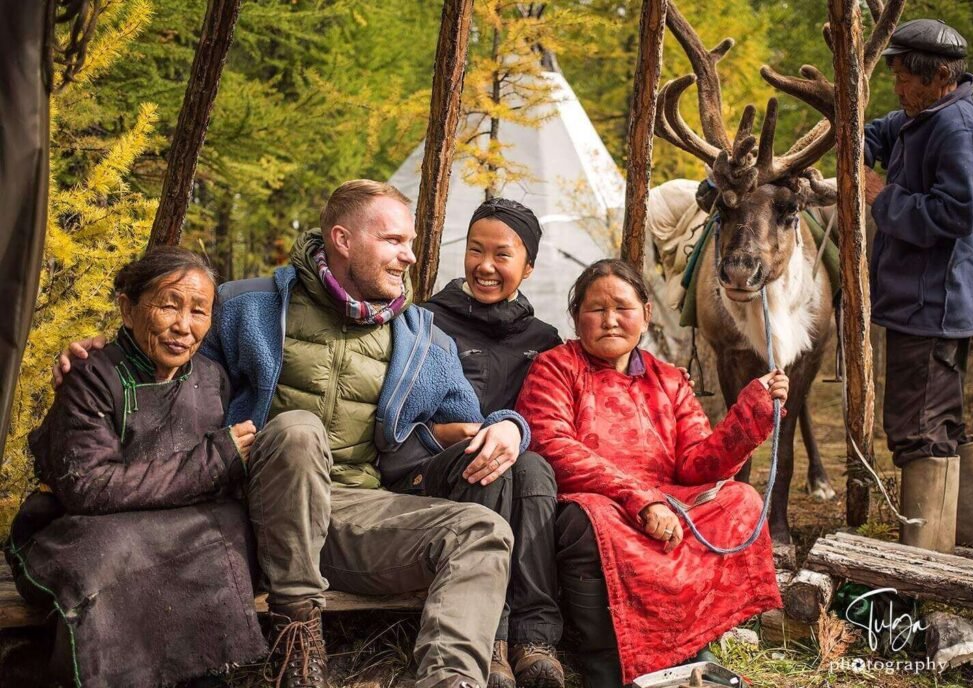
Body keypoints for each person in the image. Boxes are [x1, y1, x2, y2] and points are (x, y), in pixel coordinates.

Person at [52, 181, 525, 688]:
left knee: (482, 532)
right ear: (342, 239)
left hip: (351, 510)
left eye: (409, 242)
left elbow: (473, 418)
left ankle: (452, 681)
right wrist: (99, 352)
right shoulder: (246, 306)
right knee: (300, 429)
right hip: (254, 511)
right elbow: (167, 344)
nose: (410, 256)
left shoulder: (424, 339)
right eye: (393, 241)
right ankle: (298, 638)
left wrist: (510, 428)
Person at [516, 259, 787, 687]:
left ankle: (695, 644)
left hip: (669, 501)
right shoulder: (555, 367)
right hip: (599, 501)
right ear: (575, 318)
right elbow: (552, 445)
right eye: (595, 309)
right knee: (592, 522)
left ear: (645, 313)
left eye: (622, 308)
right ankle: (607, 664)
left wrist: (751, 415)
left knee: (741, 501)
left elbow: (696, 463)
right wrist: (638, 498)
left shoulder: (668, 380)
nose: (609, 321)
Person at [8, 248, 266, 687]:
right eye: (169, 305)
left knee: (224, 531)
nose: (184, 326)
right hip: (85, 529)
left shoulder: (211, 378)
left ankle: (199, 674)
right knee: (112, 552)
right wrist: (212, 461)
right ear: (128, 309)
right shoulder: (91, 376)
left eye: (199, 311)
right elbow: (89, 488)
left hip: (171, 526)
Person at [407, 198, 564, 688]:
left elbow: (560, 409)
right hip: (439, 473)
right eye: (476, 251)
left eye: (502, 254)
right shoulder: (425, 322)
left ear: (528, 266)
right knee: (493, 459)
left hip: (515, 469)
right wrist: (446, 433)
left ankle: (534, 635)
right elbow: (395, 414)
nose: (486, 266)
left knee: (532, 466)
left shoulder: (544, 338)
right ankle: (489, 635)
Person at [862, 19, 973, 552]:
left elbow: (959, 214)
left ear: (940, 74)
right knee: (942, 422)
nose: (898, 89)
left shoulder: (955, 128)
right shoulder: (927, 114)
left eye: (905, 80)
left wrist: (883, 195)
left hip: (932, 306)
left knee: (916, 432)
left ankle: (922, 570)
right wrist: (863, 137)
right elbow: (888, 126)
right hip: (929, 304)